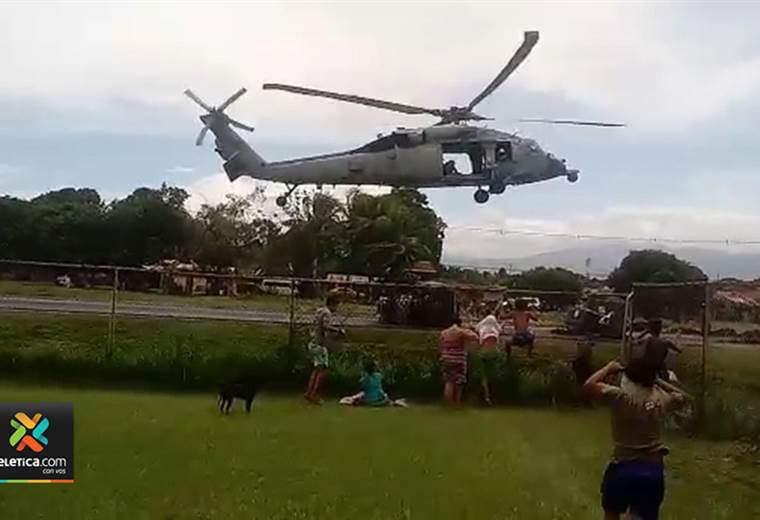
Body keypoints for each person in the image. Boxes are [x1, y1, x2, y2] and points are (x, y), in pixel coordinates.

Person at [583, 350, 687, 520]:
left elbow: (588, 386)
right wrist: (657, 382)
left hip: (623, 467)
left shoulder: (620, 397)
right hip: (652, 470)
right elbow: (680, 397)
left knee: (612, 513)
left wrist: (608, 368)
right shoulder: (662, 399)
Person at [304, 294, 343, 404]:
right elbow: (325, 326)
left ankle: (309, 392)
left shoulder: (320, 311)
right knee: (321, 370)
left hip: (314, 342)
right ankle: (313, 394)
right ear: (333, 304)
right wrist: (338, 330)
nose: (337, 308)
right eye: (337, 305)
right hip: (319, 345)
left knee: (317, 369)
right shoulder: (327, 313)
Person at [439, 316, 479, 405]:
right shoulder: (461, 332)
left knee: (449, 381)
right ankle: (457, 402)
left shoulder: (444, 332)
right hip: (458, 359)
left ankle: (448, 403)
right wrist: (468, 329)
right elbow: (475, 337)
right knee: (459, 382)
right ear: (460, 323)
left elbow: (441, 345)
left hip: (446, 358)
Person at [339, 359, 408, 407]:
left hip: (368, 400)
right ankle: (396, 402)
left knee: (358, 395)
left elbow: (362, 387)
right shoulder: (379, 376)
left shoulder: (364, 379)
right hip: (378, 399)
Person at [474, 307, 504, 405]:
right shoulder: (495, 324)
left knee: (483, 376)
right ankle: (495, 396)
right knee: (494, 375)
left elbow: (476, 328)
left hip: (484, 350)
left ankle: (486, 397)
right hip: (494, 350)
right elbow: (500, 329)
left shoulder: (481, 325)